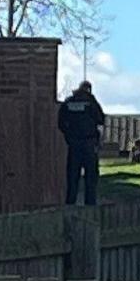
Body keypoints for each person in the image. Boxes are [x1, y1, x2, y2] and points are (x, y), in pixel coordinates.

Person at [57, 79, 106, 207]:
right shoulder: (91, 102)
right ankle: (90, 204)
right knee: (91, 177)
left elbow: (61, 122)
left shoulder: (68, 102)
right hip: (89, 144)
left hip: (74, 144)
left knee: (73, 176)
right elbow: (101, 119)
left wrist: (69, 135)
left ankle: (70, 203)